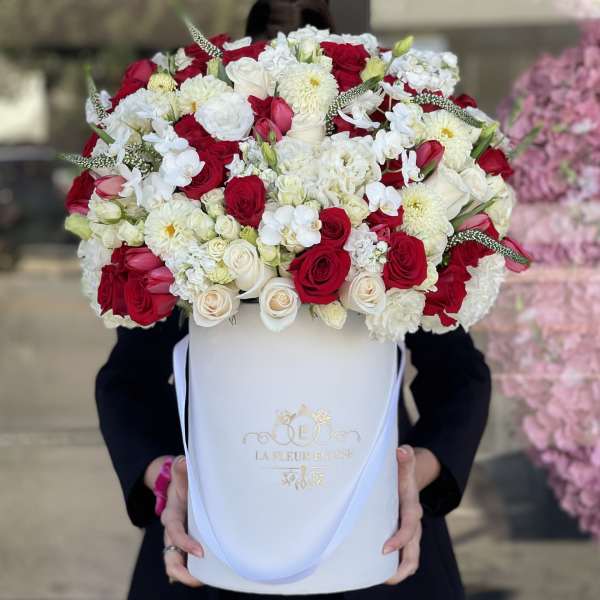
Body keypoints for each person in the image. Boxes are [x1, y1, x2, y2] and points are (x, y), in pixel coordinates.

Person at [95, 2, 492, 599]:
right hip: (213, 531)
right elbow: (127, 382)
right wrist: (164, 479)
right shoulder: (182, 203)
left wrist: (414, 476)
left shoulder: (390, 204)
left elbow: (459, 377)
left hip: (374, 533)